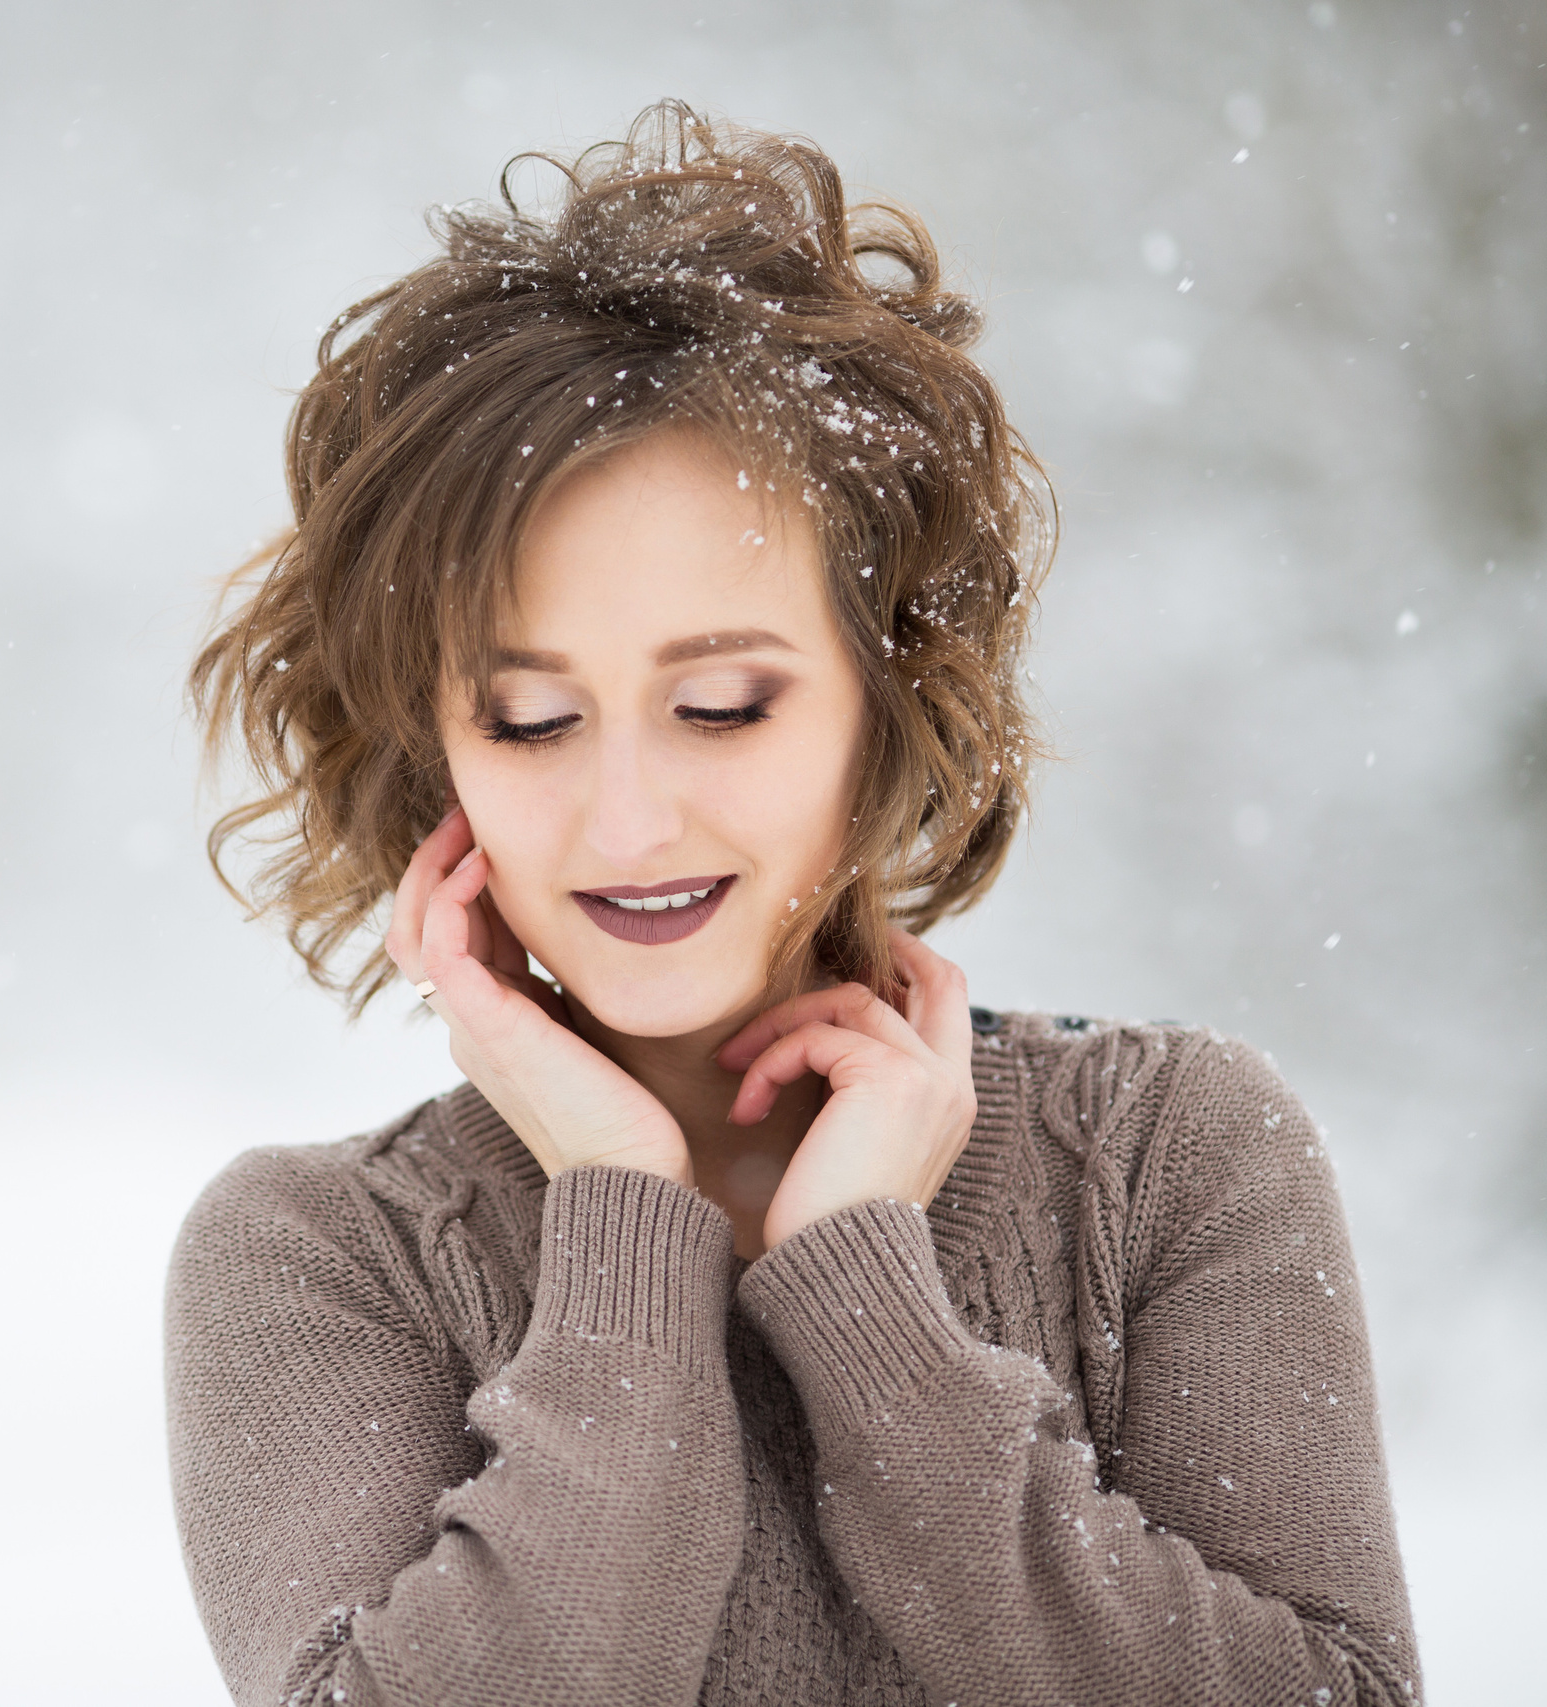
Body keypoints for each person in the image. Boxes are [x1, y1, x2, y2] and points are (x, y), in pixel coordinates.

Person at [169, 101, 1420, 1706]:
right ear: (437, 756)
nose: (626, 818)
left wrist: (866, 1304)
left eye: (725, 705)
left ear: (887, 694)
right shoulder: (321, 1259)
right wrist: (621, 1212)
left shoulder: (1171, 1154)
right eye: (531, 721)